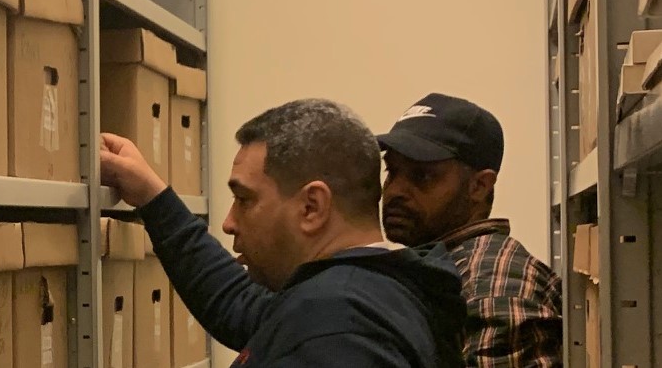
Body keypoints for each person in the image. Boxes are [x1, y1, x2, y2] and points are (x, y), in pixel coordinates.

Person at [100, 98, 465, 368]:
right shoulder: (370, 293)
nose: (228, 222)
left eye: (244, 199)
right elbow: (240, 306)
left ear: (312, 207)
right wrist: (152, 197)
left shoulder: (341, 331)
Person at [378, 93, 562, 368]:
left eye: (422, 176)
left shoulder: (492, 287)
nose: (394, 191)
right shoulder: (445, 269)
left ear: (480, 186)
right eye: (392, 171)